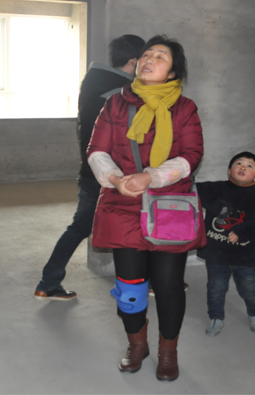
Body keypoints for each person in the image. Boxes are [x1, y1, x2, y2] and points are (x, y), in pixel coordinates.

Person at [87, 35, 204, 381]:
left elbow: (191, 156)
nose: (149, 59)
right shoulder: (115, 104)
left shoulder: (185, 108)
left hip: (169, 206)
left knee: (168, 286)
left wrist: (150, 177)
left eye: (160, 56)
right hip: (122, 204)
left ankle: (168, 351)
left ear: (173, 72)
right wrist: (115, 178)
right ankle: (137, 345)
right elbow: (97, 150)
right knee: (130, 287)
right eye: (146, 54)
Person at [34, 34, 145, 301]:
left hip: (93, 169)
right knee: (132, 226)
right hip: (113, 174)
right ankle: (141, 283)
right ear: (134, 61)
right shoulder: (120, 91)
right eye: (146, 59)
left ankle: (48, 283)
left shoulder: (96, 82)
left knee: (84, 227)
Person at [196, 151, 255, 336]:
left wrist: (240, 231)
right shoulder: (217, 188)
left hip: (244, 254)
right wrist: (216, 205)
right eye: (239, 163)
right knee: (216, 287)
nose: (243, 167)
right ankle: (216, 317)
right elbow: (193, 190)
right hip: (216, 252)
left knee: (249, 287)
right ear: (229, 171)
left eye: (249, 166)